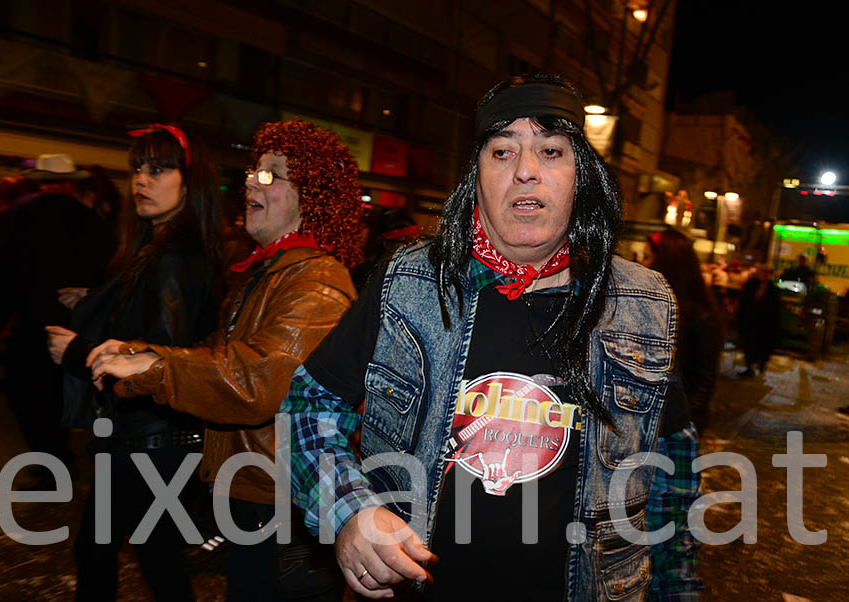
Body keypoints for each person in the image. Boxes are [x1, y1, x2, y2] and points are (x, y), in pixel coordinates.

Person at [282, 74, 702, 601]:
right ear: (476, 177)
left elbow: (671, 482)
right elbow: (306, 406)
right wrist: (348, 511)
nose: (526, 171)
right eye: (502, 151)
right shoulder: (407, 283)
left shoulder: (643, 304)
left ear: (582, 178)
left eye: (551, 150)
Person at [87, 118, 365, 602]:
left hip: (284, 509)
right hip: (255, 496)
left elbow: (258, 380)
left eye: (272, 174)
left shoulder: (315, 282)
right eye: (254, 171)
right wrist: (139, 353)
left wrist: (152, 369)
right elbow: (217, 354)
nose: (252, 183)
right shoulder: (272, 273)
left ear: (312, 197)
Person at [45, 125, 223, 602]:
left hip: (151, 445)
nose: (141, 181)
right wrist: (98, 301)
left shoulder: (173, 259)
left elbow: (161, 361)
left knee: (115, 553)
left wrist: (79, 352)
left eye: (158, 169)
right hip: (152, 442)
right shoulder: (161, 250)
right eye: (137, 170)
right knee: (149, 558)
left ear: (190, 181)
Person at [0, 153, 113, 487]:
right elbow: (107, 271)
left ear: (38, 181)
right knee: (63, 391)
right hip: (77, 323)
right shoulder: (91, 221)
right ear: (68, 183)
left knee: (27, 392)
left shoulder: (19, 217)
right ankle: (62, 453)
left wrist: (0, 316)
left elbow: (4, 272)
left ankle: (51, 458)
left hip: (32, 321)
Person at [645, 229, 723, 433]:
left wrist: (686, 425)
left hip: (673, 428)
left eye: (647, 257)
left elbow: (704, 381)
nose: (642, 264)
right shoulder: (650, 307)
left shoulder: (699, 316)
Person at [737, 263, 782, 376]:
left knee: (761, 346)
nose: (765, 275)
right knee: (748, 345)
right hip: (751, 321)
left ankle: (761, 362)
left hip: (764, 324)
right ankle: (749, 367)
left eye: (767, 273)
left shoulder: (772, 290)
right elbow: (744, 301)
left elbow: (775, 309)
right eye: (763, 273)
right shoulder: (752, 285)